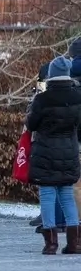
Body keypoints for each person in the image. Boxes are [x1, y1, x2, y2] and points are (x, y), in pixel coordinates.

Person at [27, 55, 81, 254]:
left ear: (51, 75)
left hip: (45, 152)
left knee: (48, 195)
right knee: (67, 194)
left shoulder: (42, 99)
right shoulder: (78, 97)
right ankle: (75, 243)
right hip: (69, 151)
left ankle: (51, 243)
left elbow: (31, 124)